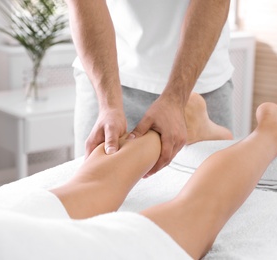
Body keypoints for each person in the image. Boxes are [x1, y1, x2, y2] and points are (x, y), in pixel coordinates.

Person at [47, 94, 277, 259]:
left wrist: (174, 99)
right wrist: (108, 102)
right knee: (89, 186)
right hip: (13, 231)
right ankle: (186, 121)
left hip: (20, 240)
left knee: (195, 211)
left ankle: (273, 132)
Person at [66, 0, 235, 176]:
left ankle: (258, 130)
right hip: (106, 74)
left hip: (199, 76)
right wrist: (109, 104)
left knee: (215, 187)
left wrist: (176, 99)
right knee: (93, 178)